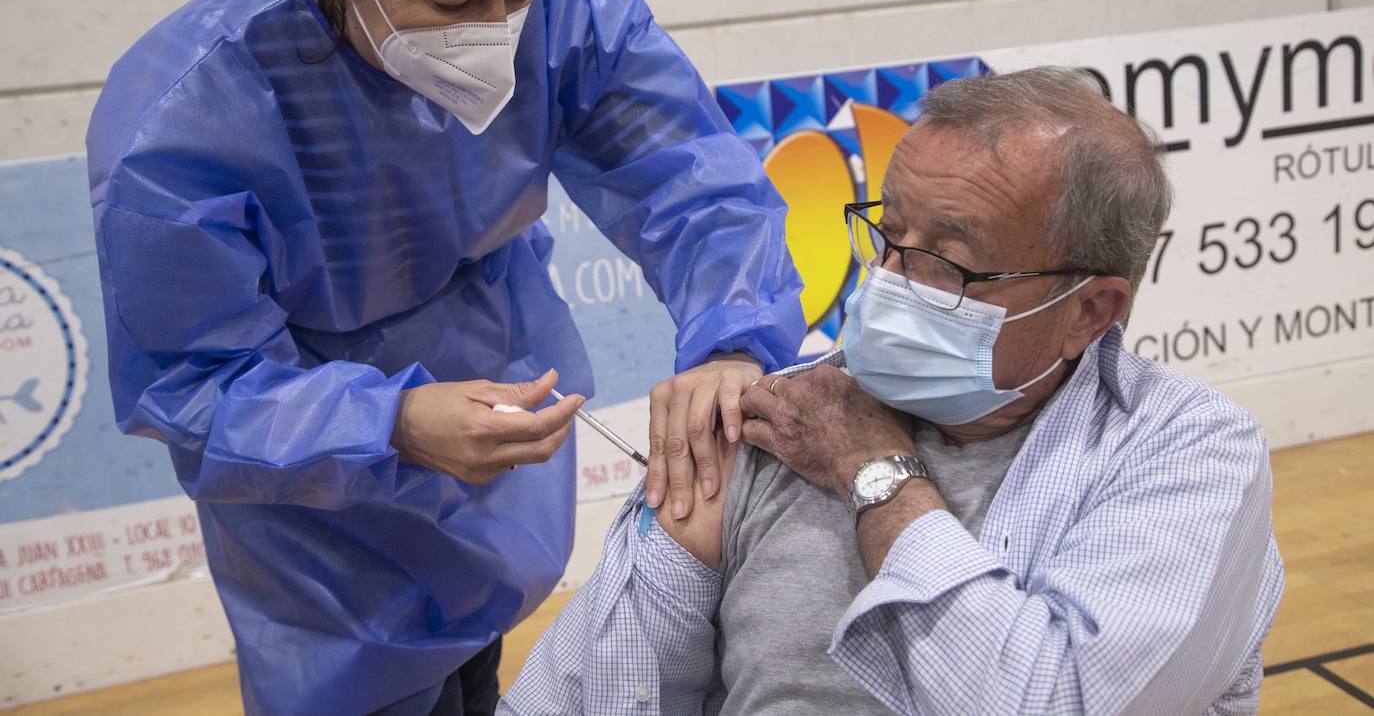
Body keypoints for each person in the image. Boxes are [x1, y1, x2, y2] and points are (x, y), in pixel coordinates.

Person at [85, 0, 804, 713]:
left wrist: (733, 343)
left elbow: (695, 187)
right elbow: (192, 384)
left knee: (476, 668)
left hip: (489, 396)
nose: (498, 29)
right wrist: (386, 423)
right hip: (312, 502)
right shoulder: (186, 117)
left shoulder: (571, 13)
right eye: (456, 1)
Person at [500, 67, 1284, 715]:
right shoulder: (784, 418)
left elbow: (1053, 700)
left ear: (1088, 310)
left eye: (951, 260)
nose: (889, 280)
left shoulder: (1187, 454)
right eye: (890, 230)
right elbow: (585, 693)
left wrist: (876, 470)